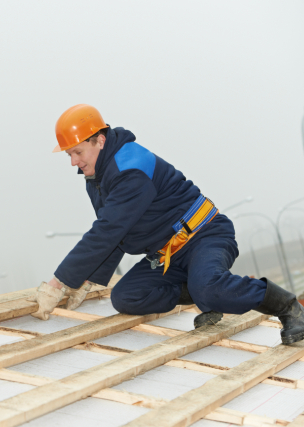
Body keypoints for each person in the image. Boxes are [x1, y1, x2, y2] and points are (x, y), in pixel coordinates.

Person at [29, 104, 304, 345]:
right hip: (168, 254)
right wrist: (86, 279)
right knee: (127, 297)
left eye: (77, 152)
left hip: (203, 235)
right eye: (69, 155)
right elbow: (116, 231)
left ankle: (288, 307)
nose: (74, 162)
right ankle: (200, 289)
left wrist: (59, 282)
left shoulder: (130, 170)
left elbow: (108, 230)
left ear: (99, 141)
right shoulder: (97, 177)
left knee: (208, 287)